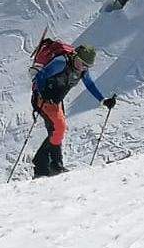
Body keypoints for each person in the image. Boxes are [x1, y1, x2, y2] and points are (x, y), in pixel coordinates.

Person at [31, 44, 115, 178]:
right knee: (59, 128)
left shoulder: (82, 70)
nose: (84, 68)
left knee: (57, 130)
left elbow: (89, 84)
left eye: (87, 66)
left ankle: (43, 166)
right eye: (83, 64)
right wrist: (43, 92)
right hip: (42, 99)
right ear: (75, 57)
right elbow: (40, 76)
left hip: (55, 101)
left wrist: (103, 100)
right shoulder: (61, 63)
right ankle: (54, 165)